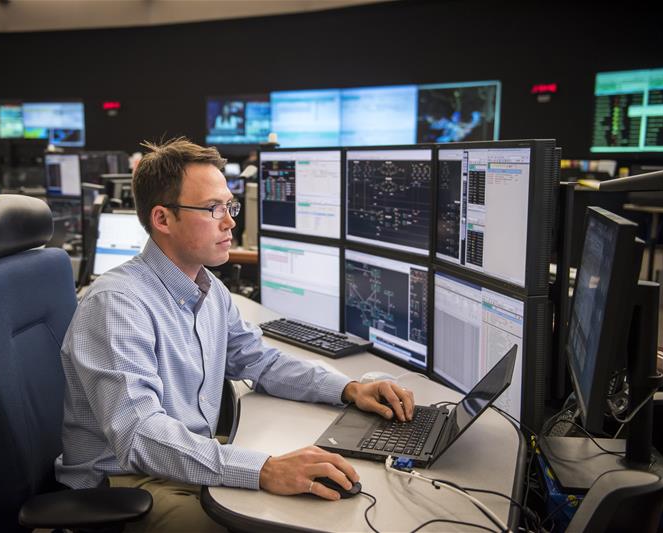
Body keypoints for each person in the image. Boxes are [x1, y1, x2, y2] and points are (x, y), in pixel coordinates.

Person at [55, 137, 415, 532]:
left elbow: (259, 360)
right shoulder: (117, 305)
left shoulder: (208, 288)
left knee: (317, 500)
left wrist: (348, 389)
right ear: (162, 219)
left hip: (181, 462)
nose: (230, 222)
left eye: (230, 206)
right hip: (124, 486)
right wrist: (265, 469)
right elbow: (140, 435)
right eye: (213, 209)